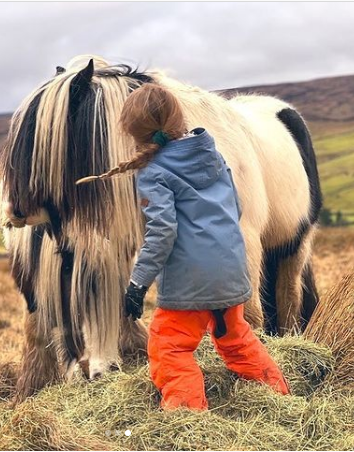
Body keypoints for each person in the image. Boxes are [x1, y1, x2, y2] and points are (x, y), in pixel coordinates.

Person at [77, 83, 290, 410]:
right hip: (232, 272)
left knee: (169, 348)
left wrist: (137, 283)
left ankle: (186, 416)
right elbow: (234, 207)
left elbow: (162, 232)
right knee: (236, 339)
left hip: (190, 283)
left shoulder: (154, 174)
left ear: (133, 134)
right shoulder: (212, 154)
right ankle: (277, 395)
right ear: (179, 118)